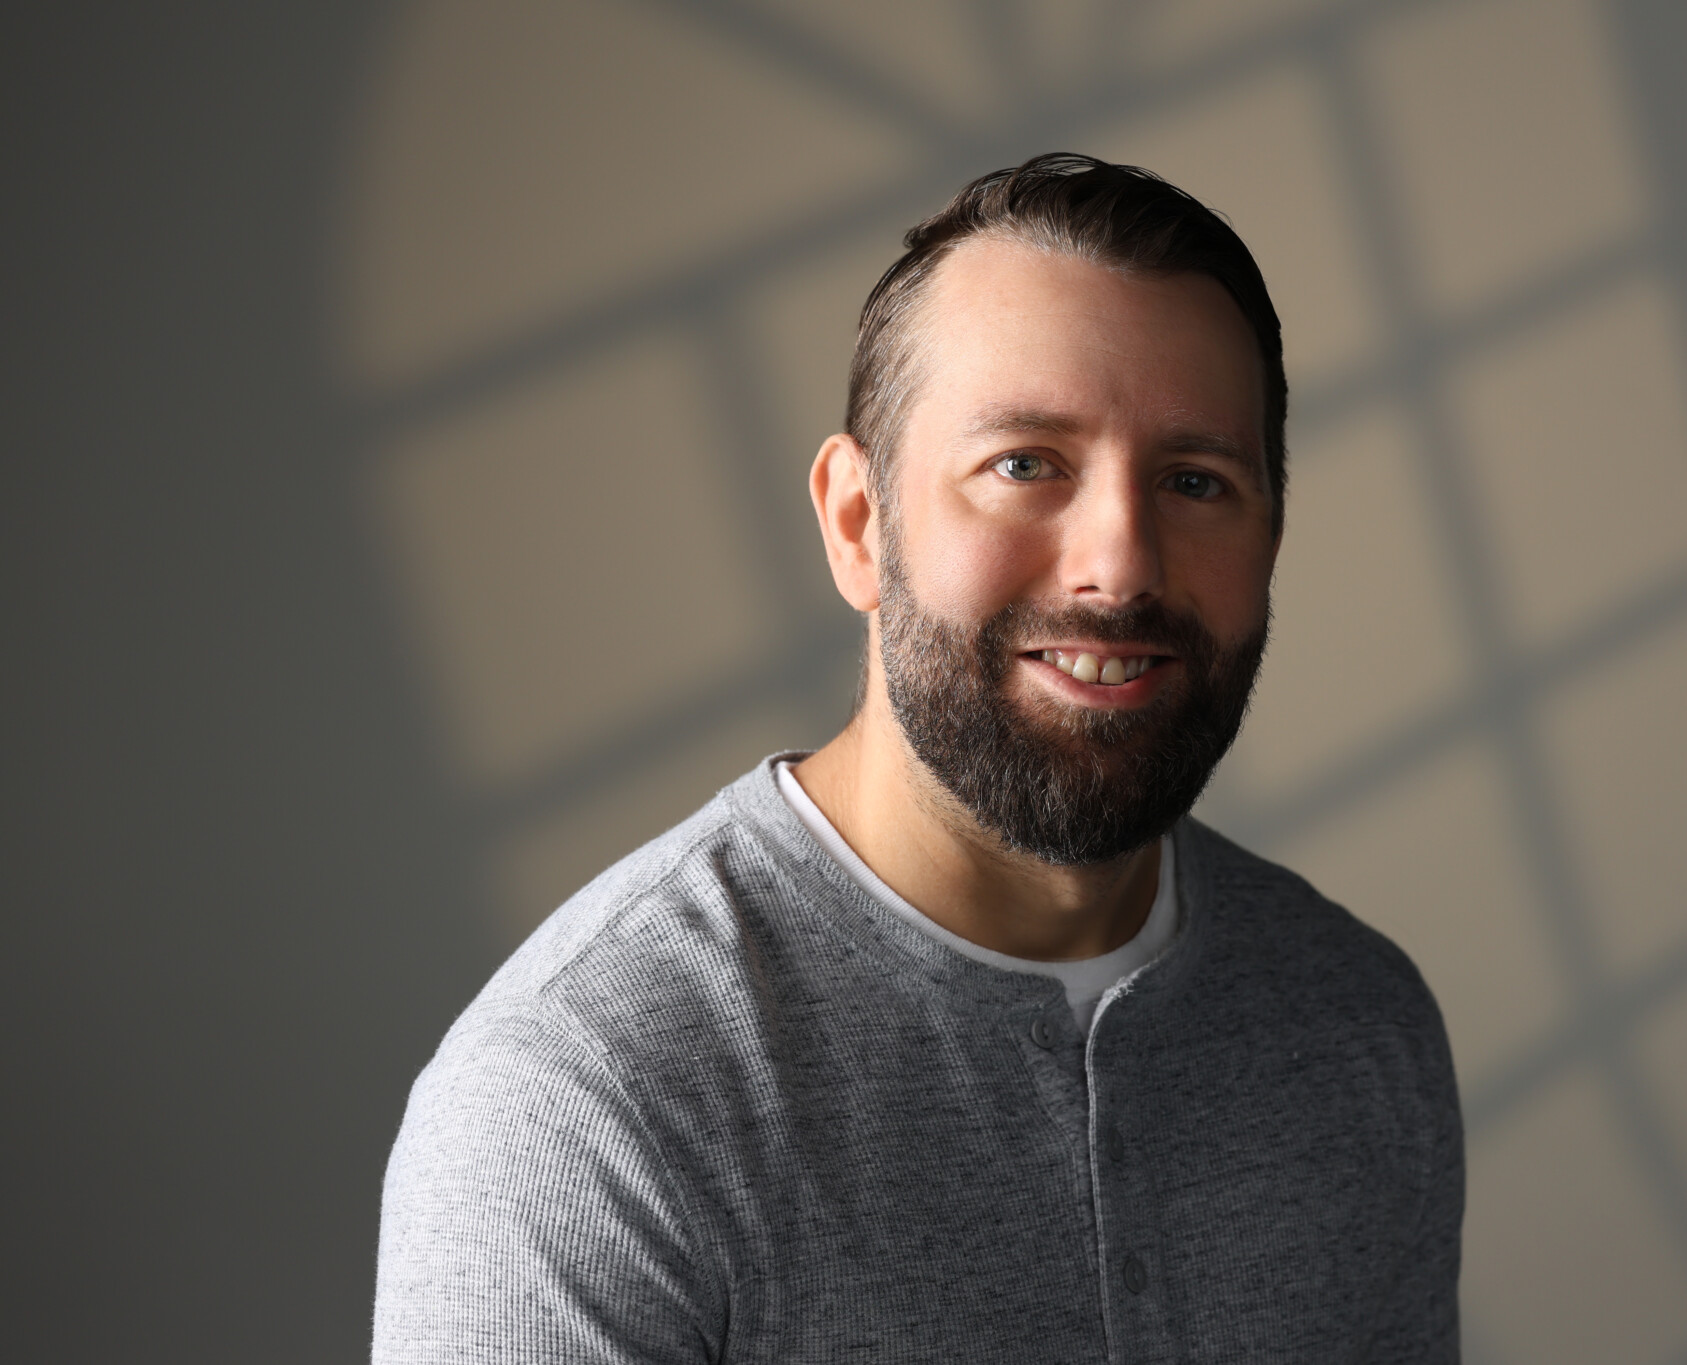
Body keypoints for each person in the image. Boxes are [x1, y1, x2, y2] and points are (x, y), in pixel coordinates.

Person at [373, 154, 1461, 1363]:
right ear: (857, 526)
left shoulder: (1356, 1021)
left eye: (1195, 481)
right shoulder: (587, 1098)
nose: (1120, 564)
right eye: (1023, 465)